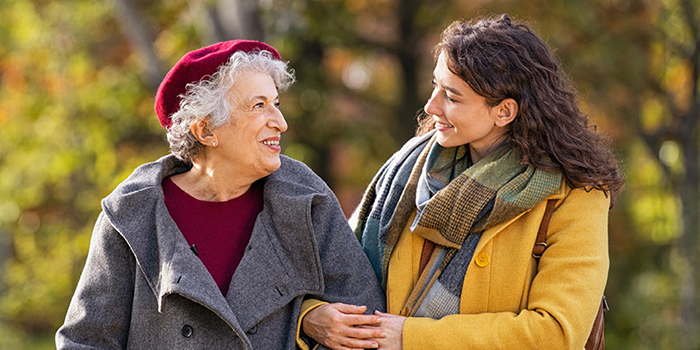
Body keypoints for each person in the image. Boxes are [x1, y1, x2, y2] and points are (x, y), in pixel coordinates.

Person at [302, 14, 624, 349]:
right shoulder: (410, 170)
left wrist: (412, 338)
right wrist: (312, 315)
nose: (431, 106)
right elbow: (337, 271)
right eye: (434, 85)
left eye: (452, 97)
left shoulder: (575, 196)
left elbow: (555, 333)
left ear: (504, 111)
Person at [55, 40, 384, 349]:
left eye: (276, 104)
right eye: (259, 106)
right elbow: (86, 340)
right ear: (207, 130)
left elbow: (364, 322)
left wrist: (305, 316)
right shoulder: (132, 215)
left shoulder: (306, 200)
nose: (281, 123)